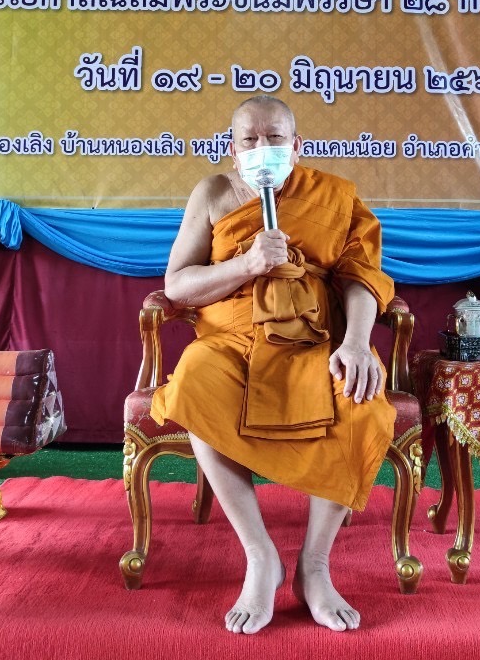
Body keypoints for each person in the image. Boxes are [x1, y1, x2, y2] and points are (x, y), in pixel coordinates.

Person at [150, 95, 395, 635]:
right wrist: (248, 263)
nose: (263, 148)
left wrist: (357, 343)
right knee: (193, 383)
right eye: (250, 140)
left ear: (297, 145)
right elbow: (179, 285)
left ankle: (315, 566)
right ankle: (261, 557)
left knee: (360, 404)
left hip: (317, 340)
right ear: (232, 148)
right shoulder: (213, 193)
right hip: (232, 342)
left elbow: (361, 277)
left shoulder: (335, 195)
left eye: (275, 138)